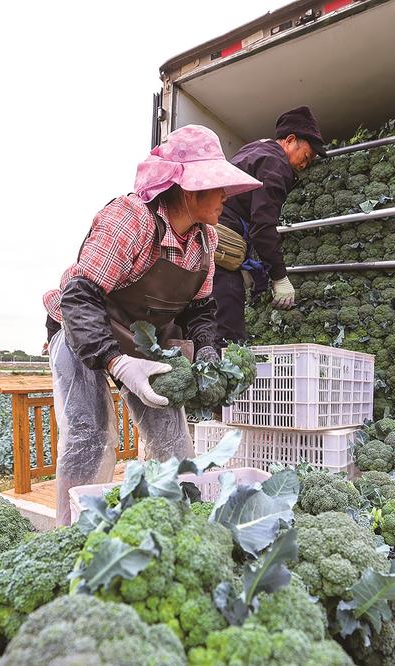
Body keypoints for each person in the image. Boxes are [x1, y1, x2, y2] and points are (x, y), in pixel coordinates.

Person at [41, 125, 261, 525]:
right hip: (81, 329)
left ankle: (186, 522)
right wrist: (117, 362)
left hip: (142, 338)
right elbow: (80, 296)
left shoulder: (206, 241)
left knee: (174, 443)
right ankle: (71, 530)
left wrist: (208, 348)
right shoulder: (130, 220)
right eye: (219, 186)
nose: (226, 196)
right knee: (89, 434)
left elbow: (200, 309)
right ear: (192, 190)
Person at [211, 105, 327, 343]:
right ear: (291, 140)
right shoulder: (276, 165)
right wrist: (279, 276)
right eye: (307, 155)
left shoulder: (256, 149)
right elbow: (263, 226)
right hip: (222, 248)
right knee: (228, 335)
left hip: (208, 244)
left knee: (204, 321)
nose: (307, 163)